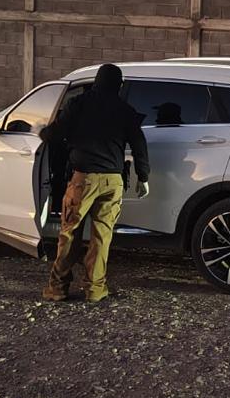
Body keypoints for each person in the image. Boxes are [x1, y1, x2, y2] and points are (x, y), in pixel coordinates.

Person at [38, 63, 150, 303]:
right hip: (113, 181)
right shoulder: (126, 110)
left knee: (70, 234)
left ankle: (57, 289)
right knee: (101, 237)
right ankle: (95, 290)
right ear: (119, 85)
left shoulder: (78, 104)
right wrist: (143, 176)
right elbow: (139, 144)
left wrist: (42, 133)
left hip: (83, 180)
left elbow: (56, 133)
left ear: (96, 82)